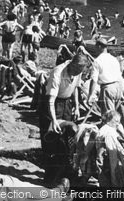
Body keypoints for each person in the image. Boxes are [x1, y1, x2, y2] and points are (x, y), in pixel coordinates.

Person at [38, 53, 88, 183]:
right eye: (77, 70)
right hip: (52, 104)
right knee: (51, 141)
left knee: (67, 139)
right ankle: (49, 177)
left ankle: (64, 173)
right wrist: (54, 120)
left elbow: (76, 88)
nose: (78, 73)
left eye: (80, 72)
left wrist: (76, 106)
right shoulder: (58, 72)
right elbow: (51, 99)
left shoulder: (78, 72)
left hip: (66, 103)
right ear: (73, 64)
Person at [87, 39, 124, 124]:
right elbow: (119, 76)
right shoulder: (114, 59)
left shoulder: (98, 60)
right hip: (119, 86)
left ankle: (112, 134)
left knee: (109, 117)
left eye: (96, 46)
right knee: (117, 116)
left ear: (99, 46)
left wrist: (90, 95)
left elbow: (94, 80)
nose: (95, 48)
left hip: (108, 88)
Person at [95, 110, 124, 187]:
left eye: (119, 122)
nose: (118, 124)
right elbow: (114, 151)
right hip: (108, 159)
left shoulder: (104, 129)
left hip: (103, 160)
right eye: (116, 121)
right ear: (109, 120)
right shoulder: (110, 132)